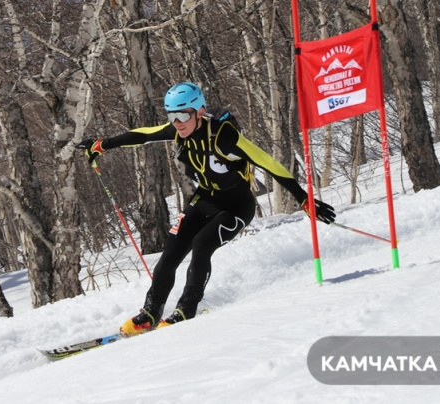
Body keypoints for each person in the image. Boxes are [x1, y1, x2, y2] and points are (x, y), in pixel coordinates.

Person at [78, 82, 335, 335]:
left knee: (202, 245)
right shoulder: (178, 130)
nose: (177, 122)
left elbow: (268, 162)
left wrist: (304, 199)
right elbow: (143, 135)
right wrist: (103, 144)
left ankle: (185, 310)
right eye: (172, 115)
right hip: (204, 199)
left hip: (236, 206)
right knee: (171, 251)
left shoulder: (225, 136)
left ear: (199, 112)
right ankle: (150, 312)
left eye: (183, 115)